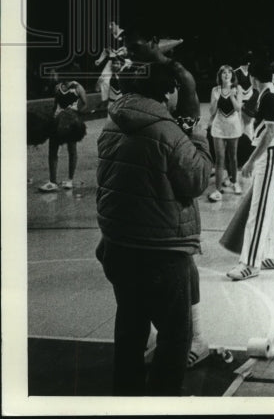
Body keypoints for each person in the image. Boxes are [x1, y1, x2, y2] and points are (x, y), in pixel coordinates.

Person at [95, 61, 212, 395]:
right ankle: (164, 400)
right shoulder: (168, 131)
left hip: (118, 245)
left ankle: (126, 397)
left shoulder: (113, 122)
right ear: (167, 91)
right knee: (176, 336)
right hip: (160, 251)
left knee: (130, 327)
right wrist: (196, 137)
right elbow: (196, 179)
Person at [225, 59, 274, 279]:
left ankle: (250, 263)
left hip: (268, 155)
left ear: (253, 78)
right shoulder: (268, 94)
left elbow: (270, 133)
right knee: (270, 208)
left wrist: (251, 161)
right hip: (270, 154)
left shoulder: (270, 96)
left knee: (258, 210)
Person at [38, 70, 89, 192]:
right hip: (57, 122)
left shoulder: (78, 87)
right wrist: (53, 117)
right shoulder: (58, 87)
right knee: (52, 150)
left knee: (72, 150)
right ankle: (52, 182)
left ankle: (70, 180)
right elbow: (55, 104)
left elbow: (86, 104)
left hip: (71, 124)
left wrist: (75, 114)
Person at [207, 65, 243, 201]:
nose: (226, 75)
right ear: (220, 75)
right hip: (219, 127)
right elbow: (211, 112)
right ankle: (217, 189)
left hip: (233, 127)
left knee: (232, 157)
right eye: (224, 73)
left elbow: (238, 108)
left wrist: (233, 96)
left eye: (229, 72)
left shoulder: (237, 89)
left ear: (232, 75)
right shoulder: (215, 90)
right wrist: (216, 99)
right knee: (219, 159)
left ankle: (235, 182)